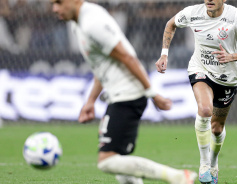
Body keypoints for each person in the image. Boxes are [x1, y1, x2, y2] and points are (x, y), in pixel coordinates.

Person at [50, 0, 197, 184]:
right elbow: (101, 66)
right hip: (120, 95)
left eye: (58, 2)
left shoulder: (92, 23)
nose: (54, 8)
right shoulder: (78, 23)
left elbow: (128, 57)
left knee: (107, 161)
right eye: (52, 3)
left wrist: (153, 94)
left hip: (128, 95)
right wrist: (90, 101)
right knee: (119, 160)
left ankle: (176, 177)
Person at [155, 0, 237, 184]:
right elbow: (170, 24)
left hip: (226, 77)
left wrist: (231, 56)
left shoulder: (235, 16)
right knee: (205, 110)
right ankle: (204, 165)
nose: (209, 0)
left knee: (217, 128)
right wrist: (164, 53)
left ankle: (213, 163)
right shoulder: (193, 13)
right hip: (200, 68)